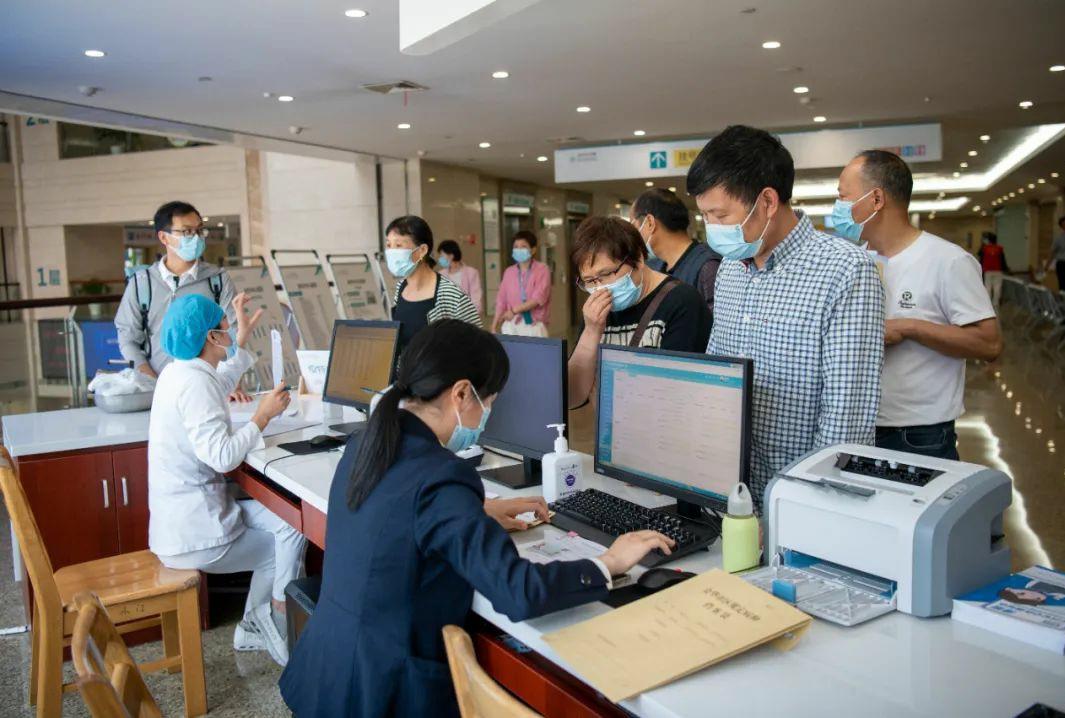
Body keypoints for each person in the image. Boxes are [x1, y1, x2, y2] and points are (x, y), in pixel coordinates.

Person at [279, 320, 672, 717]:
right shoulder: (442, 476)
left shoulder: (370, 440)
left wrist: (475, 512)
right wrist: (608, 563)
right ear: (462, 393)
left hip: (328, 677)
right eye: (491, 401)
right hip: (386, 696)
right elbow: (517, 592)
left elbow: (396, 513)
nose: (490, 414)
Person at [687, 125, 884, 506]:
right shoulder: (730, 269)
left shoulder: (845, 270)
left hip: (798, 500)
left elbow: (847, 420)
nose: (712, 228)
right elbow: (718, 373)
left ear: (767, 201)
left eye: (720, 214)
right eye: (705, 216)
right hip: (731, 492)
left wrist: (798, 510)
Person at [148, 293, 306, 666]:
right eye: (225, 326)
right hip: (196, 535)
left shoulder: (180, 372)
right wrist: (262, 417)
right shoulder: (194, 383)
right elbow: (222, 457)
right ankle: (276, 619)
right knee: (285, 541)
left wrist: (242, 340)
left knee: (289, 522)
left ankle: (253, 626)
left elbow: (220, 383)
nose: (230, 330)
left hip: (182, 520)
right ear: (211, 337)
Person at [833, 150, 1001, 461]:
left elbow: (989, 344)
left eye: (843, 197)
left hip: (917, 435)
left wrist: (909, 327)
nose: (837, 207)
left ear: (876, 199)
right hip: (858, 424)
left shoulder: (947, 261)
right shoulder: (857, 261)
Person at [567, 216, 711, 408]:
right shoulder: (596, 311)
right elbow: (572, 398)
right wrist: (591, 332)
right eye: (590, 281)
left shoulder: (682, 302)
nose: (600, 288)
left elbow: (673, 395)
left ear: (638, 259)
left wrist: (610, 392)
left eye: (606, 274)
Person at [115, 201, 249, 401]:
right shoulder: (142, 284)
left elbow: (232, 334)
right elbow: (128, 339)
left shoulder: (217, 280)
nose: (195, 237)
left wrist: (231, 382)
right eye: (186, 232)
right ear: (164, 237)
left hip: (207, 390)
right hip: (157, 392)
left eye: (199, 230)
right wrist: (154, 383)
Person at [386, 215, 482, 348]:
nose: (391, 252)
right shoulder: (400, 288)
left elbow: (479, 345)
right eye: (388, 245)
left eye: (398, 245)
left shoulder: (450, 295)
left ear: (422, 251)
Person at [631, 188, 722, 312]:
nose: (633, 236)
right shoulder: (655, 268)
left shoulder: (707, 267)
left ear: (650, 223)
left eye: (634, 226)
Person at [492, 230, 552, 336]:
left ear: (533, 250)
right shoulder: (509, 272)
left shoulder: (542, 270)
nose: (519, 249)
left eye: (523, 246)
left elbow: (538, 299)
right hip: (511, 325)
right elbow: (501, 300)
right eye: (516, 247)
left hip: (534, 325)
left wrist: (513, 311)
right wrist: (494, 325)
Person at [436, 239, 484, 315]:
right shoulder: (441, 274)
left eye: (442, 255)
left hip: (467, 317)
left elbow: (476, 299)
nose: (440, 259)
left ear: (451, 256)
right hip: (446, 318)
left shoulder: (471, 273)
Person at [978, 232, 1009, 309]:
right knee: (997, 287)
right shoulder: (999, 248)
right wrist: (1006, 268)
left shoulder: (984, 248)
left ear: (988, 240)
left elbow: (980, 258)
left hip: (987, 270)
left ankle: (988, 303)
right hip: (998, 270)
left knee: (988, 287)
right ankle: (995, 303)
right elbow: (1002, 260)